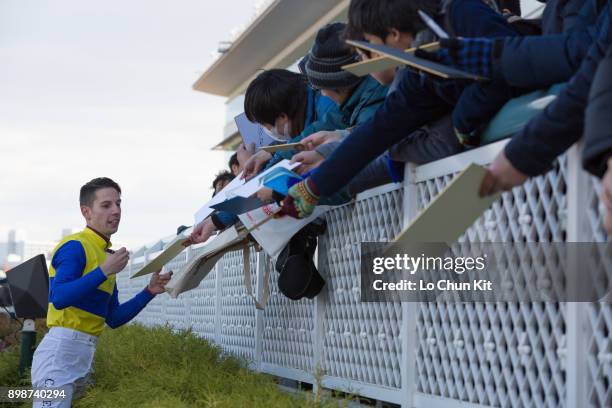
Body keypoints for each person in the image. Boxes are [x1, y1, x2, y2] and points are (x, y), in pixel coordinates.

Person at [278, 0, 520, 218]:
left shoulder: (461, 16)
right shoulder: (417, 71)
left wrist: (463, 120)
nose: (364, 61)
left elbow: (508, 67)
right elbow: (378, 130)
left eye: (368, 47)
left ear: (393, 35)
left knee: (417, 255)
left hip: (530, 163)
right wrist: (315, 186)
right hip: (510, 177)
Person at [31, 177, 172, 407]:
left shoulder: (106, 256)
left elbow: (113, 318)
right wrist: (103, 271)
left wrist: (150, 291)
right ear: (86, 212)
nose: (116, 211)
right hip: (60, 354)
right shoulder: (75, 246)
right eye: (106, 205)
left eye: (118, 204)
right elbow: (58, 298)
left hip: (83, 354)